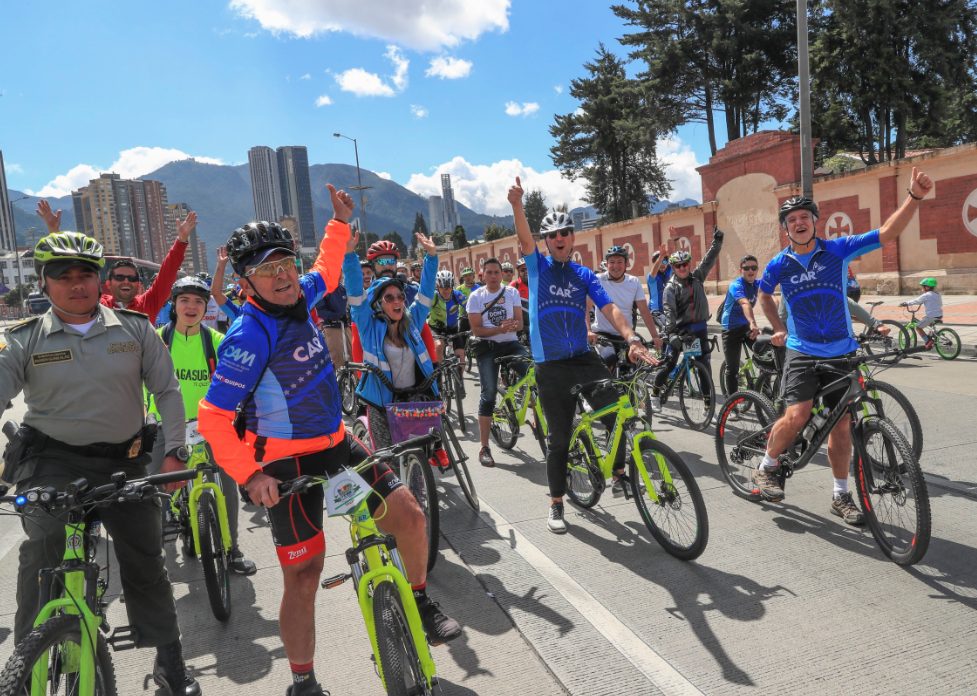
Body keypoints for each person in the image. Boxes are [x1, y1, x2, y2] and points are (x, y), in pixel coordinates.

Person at [197, 189, 460, 696]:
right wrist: (249, 476)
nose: (281, 275)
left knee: (410, 517)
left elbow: (329, 267)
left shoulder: (304, 293)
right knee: (304, 576)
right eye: (265, 268)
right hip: (283, 466)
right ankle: (303, 681)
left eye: (285, 263)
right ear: (245, 280)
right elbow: (212, 418)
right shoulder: (248, 334)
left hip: (337, 443)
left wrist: (340, 222)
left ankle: (421, 599)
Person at [0, 231, 201, 695]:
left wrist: (173, 452)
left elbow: (168, 392)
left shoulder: (134, 329)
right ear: (44, 285)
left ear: (100, 279)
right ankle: (27, 667)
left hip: (124, 463)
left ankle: (171, 662)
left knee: (146, 560)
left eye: (85, 274)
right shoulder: (24, 340)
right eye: (63, 277)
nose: (76, 285)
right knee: (42, 552)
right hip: (50, 461)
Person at [754, 168, 934, 524]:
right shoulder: (778, 264)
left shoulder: (838, 250)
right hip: (802, 350)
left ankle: (840, 495)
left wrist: (913, 197)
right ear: (785, 228)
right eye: (792, 219)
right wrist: (777, 328)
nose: (800, 222)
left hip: (841, 351)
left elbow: (887, 233)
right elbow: (763, 294)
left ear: (815, 222)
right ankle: (767, 466)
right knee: (797, 415)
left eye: (805, 216)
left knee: (840, 426)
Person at [508, 177, 656, 533]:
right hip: (550, 365)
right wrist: (517, 206)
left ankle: (619, 472)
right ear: (547, 242)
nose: (559, 239)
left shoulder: (584, 274)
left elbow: (609, 309)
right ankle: (557, 504)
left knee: (617, 412)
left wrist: (633, 338)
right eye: (552, 236)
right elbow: (525, 238)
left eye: (565, 234)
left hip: (582, 357)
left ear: (573, 238)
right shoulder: (537, 267)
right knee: (559, 440)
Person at [148, 276, 256, 575]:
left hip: (209, 425)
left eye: (198, 301)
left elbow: (237, 377)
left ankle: (232, 548)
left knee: (227, 484)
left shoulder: (216, 341)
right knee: (152, 487)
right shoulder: (157, 340)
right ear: (173, 305)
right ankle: (154, 554)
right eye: (184, 300)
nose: (191, 306)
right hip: (165, 426)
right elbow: (141, 382)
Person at [344, 232, 443, 450]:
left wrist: (432, 256)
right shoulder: (369, 327)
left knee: (421, 453)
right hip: (381, 405)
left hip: (413, 400)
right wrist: (349, 255)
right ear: (378, 304)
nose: (397, 301)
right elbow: (355, 294)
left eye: (400, 296)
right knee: (388, 460)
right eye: (389, 298)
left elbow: (425, 294)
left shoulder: (412, 322)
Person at [35, 200, 195, 322]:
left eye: (132, 278)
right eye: (119, 277)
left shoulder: (148, 304)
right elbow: (71, 258)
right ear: (108, 284)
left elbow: (167, 272)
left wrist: (181, 241)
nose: (126, 281)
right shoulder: (98, 305)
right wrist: (54, 230)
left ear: (139, 285)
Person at [650, 231, 724, 413]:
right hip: (680, 329)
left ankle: (708, 408)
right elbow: (669, 312)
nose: (682, 268)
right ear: (673, 268)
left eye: (685, 264)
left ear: (688, 265)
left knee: (704, 368)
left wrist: (717, 242)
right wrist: (672, 333)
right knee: (669, 363)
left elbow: (709, 259)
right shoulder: (670, 288)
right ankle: (655, 394)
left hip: (700, 328)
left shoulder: (697, 277)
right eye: (678, 265)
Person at [467, 258, 527, 467]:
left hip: (511, 345)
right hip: (487, 349)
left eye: (496, 272)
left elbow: (519, 323)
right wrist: (498, 330)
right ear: (482, 275)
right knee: (489, 394)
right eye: (489, 272)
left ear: (502, 274)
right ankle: (484, 447)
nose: (493, 276)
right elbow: (476, 329)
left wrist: (512, 326)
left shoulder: (512, 293)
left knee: (536, 377)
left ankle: (543, 427)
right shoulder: (476, 297)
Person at [587, 246, 664, 372]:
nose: (615, 266)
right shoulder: (598, 280)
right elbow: (586, 307)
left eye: (619, 262)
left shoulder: (634, 282)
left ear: (626, 264)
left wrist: (655, 335)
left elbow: (644, 311)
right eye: (612, 262)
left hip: (627, 335)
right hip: (603, 334)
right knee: (608, 358)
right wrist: (589, 330)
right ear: (607, 264)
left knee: (637, 365)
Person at [719, 255, 761, 397]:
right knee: (732, 368)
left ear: (757, 269)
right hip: (730, 329)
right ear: (740, 270)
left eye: (753, 268)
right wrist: (753, 323)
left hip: (745, 327)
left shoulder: (757, 284)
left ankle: (763, 386)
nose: (750, 271)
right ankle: (731, 405)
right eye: (746, 268)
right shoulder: (736, 285)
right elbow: (744, 303)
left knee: (766, 354)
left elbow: (771, 296)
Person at [428, 270, 468, 370]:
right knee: (439, 345)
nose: (446, 291)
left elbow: (470, 307)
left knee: (461, 358)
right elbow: (420, 310)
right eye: (443, 288)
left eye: (449, 288)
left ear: (452, 287)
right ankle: (439, 376)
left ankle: (459, 383)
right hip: (436, 328)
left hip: (453, 328)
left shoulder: (457, 295)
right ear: (437, 287)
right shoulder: (433, 296)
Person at [315, 279, 351, 369]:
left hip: (347, 327)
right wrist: (338, 316)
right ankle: (337, 382)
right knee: (337, 359)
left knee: (352, 358)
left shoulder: (343, 288)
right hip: (333, 328)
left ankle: (354, 381)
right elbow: (321, 311)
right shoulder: (324, 289)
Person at [646, 242, 671, 331]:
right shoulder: (652, 277)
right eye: (659, 261)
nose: (662, 264)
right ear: (654, 264)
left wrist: (676, 239)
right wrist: (660, 257)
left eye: (664, 261)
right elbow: (653, 272)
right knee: (666, 329)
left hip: (667, 310)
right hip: (655, 311)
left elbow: (677, 256)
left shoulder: (667, 272)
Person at [510, 257, 531, 339]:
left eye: (528, 268)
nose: (526, 271)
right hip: (521, 328)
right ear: (519, 272)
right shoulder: (514, 285)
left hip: (538, 326)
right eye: (523, 270)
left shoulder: (539, 283)